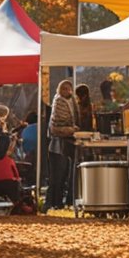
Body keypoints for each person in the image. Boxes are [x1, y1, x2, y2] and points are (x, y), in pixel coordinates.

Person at [47, 78, 77, 209]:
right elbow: (56, 125)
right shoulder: (58, 102)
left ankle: (64, 202)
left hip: (68, 143)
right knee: (57, 176)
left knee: (66, 174)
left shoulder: (73, 101)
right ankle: (54, 202)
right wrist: (71, 129)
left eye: (68, 88)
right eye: (64, 88)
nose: (66, 91)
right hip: (57, 144)